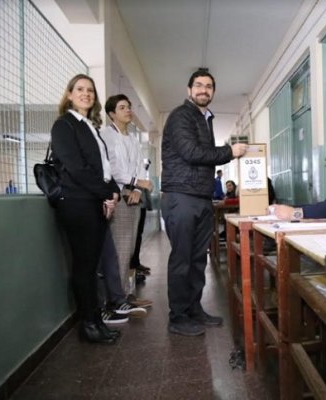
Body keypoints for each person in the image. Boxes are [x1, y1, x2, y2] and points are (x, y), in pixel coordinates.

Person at [161, 69, 248, 336]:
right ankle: (177, 317)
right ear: (189, 90)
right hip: (181, 196)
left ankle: (194, 309)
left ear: (213, 92)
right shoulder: (181, 116)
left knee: (199, 258)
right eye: (198, 85)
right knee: (182, 259)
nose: (203, 90)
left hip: (200, 197)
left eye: (208, 86)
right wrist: (229, 152)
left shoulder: (204, 118)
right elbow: (191, 152)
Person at [51, 74, 120, 344]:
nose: (85, 94)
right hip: (77, 202)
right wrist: (106, 192)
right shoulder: (64, 125)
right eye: (79, 89)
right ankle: (88, 325)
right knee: (84, 266)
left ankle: (96, 321)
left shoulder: (90, 126)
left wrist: (112, 192)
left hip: (93, 201)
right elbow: (76, 168)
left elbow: (104, 168)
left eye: (90, 90)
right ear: (69, 94)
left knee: (92, 267)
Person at [99, 94, 153, 321]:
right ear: (112, 113)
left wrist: (139, 189)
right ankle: (116, 299)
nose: (128, 110)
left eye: (129, 107)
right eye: (122, 107)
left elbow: (141, 166)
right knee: (120, 249)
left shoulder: (132, 138)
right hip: (118, 195)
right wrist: (134, 183)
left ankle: (127, 294)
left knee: (130, 249)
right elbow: (109, 168)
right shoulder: (105, 135)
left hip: (134, 195)